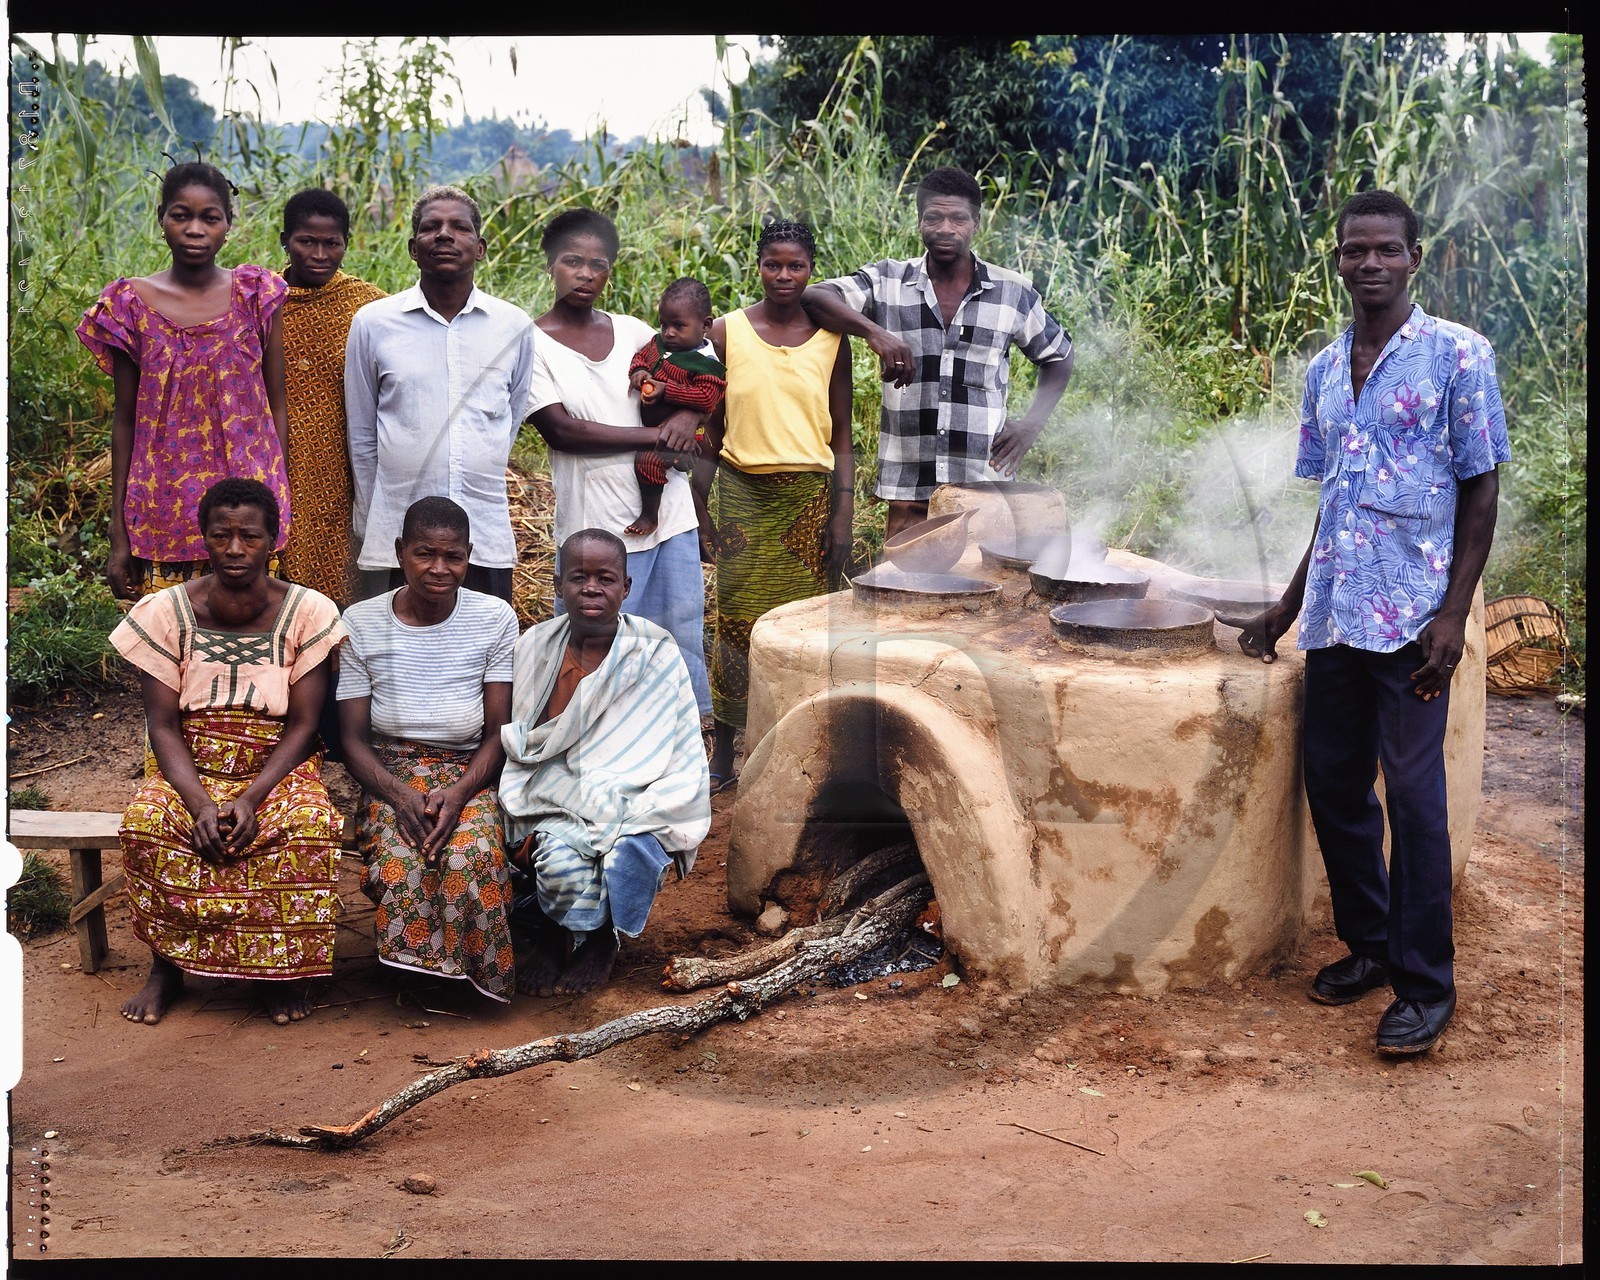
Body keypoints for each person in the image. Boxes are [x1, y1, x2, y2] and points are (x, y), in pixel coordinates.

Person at [1223, 189, 1510, 1056]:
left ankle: (1427, 988)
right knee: (1336, 786)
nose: (1371, 264)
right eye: (1356, 251)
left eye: (1387, 249)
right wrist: (1287, 604)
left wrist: (1455, 614)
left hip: (1416, 625)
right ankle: (1374, 948)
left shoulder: (1459, 355)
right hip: (1339, 619)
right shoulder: (1322, 369)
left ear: (1413, 257)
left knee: (1417, 803)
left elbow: (1482, 487)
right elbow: (1338, 506)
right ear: (1339, 259)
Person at [112, 478, 345, 1027]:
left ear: (274, 540)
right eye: (222, 536)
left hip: (278, 766)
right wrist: (197, 804)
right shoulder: (164, 612)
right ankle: (165, 969)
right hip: (189, 764)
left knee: (307, 823)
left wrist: (250, 798)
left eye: (250, 537)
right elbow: (163, 726)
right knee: (148, 821)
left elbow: (306, 723)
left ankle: (281, 971)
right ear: (204, 539)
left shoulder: (308, 612)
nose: (236, 550)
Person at [801, 165, 1075, 542]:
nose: (946, 228)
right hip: (909, 483)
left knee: (986, 585)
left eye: (958, 218)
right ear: (919, 222)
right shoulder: (887, 281)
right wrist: (876, 333)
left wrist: (1031, 425)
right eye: (934, 217)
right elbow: (814, 296)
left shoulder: (1012, 292)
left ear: (976, 223)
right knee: (905, 587)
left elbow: (1059, 356)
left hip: (982, 480)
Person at [499, 529, 711, 996]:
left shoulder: (654, 650)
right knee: (558, 864)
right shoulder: (535, 646)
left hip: (636, 793)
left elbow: (675, 747)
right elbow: (529, 742)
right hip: (557, 794)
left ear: (626, 587)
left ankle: (602, 942)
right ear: (557, 585)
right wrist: (546, 801)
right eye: (578, 577)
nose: (591, 587)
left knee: (628, 847)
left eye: (605, 578)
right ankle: (557, 936)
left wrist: (618, 800)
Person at [526, 208, 712, 716]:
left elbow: (700, 366)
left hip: (668, 514)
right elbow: (564, 431)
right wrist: (659, 432)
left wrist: (691, 413)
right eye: (572, 260)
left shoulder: (634, 332)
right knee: (596, 655)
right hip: (595, 526)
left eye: (598, 264)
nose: (586, 274)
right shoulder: (531, 343)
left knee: (677, 643)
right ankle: (591, 758)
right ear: (550, 264)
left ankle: (683, 756)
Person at [77, 161, 290, 601]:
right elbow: (124, 420)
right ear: (162, 220)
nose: (195, 229)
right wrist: (119, 532)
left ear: (228, 225)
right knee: (172, 639)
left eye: (209, 217)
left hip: (245, 512)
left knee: (248, 632)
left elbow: (276, 406)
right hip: (161, 508)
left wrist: (277, 504)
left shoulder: (256, 294)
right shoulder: (128, 305)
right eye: (181, 215)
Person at [337, 497, 520, 1002]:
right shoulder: (361, 622)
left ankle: (469, 981)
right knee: (404, 858)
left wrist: (460, 794)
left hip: (469, 771)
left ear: (469, 556)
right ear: (400, 552)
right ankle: (411, 976)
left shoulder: (495, 618)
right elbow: (352, 739)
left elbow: (496, 734)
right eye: (424, 554)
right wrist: (398, 796)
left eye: (453, 556)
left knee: (471, 855)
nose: (440, 569)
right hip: (389, 771)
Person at [693, 218, 854, 790]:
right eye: (773, 264)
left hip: (809, 498)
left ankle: (803, 749)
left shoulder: (833, 340)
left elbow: (841, 436)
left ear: (812, 270)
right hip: (742, 494)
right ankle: (725, 756)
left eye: (797, 266)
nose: (784, 276)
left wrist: (843, 512)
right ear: (757, 265)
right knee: (736, 622)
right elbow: (709, 431)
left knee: (809, 629)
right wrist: (701, 514)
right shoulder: (725, 332)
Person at [344, 184, 535, 605]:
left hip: (482, 533)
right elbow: (361, 434)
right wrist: (370, 521)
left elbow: (508, 420)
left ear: (480, 247)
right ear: (414, 247)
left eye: (459, 227)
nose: (445, 235)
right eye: (431, 227)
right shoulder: (374, 323)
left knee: (479, 655)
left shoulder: (513, 326)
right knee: (394, 656)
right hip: (396, 533)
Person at [277, 187, 386, 607]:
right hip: (280, 459)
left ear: (346, 244)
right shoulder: (260, 301)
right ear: (284, 240)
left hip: (346, 467)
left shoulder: (368, 306)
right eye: (307, 241)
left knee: (344, 573)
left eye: (332, 243)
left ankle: (337, 663)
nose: (320, 254)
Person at [626, 277, 726, 537]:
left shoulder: (706, 364)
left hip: (685, 435)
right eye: (664, 324)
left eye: (679, 326)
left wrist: (666, 390)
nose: (669, 332)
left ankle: (650, 515)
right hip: (654, 427)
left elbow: (707, 398)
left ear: (705, 325)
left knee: (647, 460)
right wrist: (639, 371)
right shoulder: (659, 344)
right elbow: (640, 357)